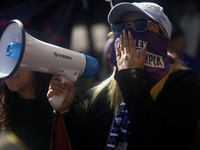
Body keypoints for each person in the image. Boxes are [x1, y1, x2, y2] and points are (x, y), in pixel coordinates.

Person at [48, 2, 200, 150]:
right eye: (120, 26)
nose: (128, 32)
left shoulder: (186, 81)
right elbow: (83, 145)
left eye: (140, 24)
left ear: (163, 35)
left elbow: (159, 135)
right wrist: (65, 110)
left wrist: (131, 74)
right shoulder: (103, 92)